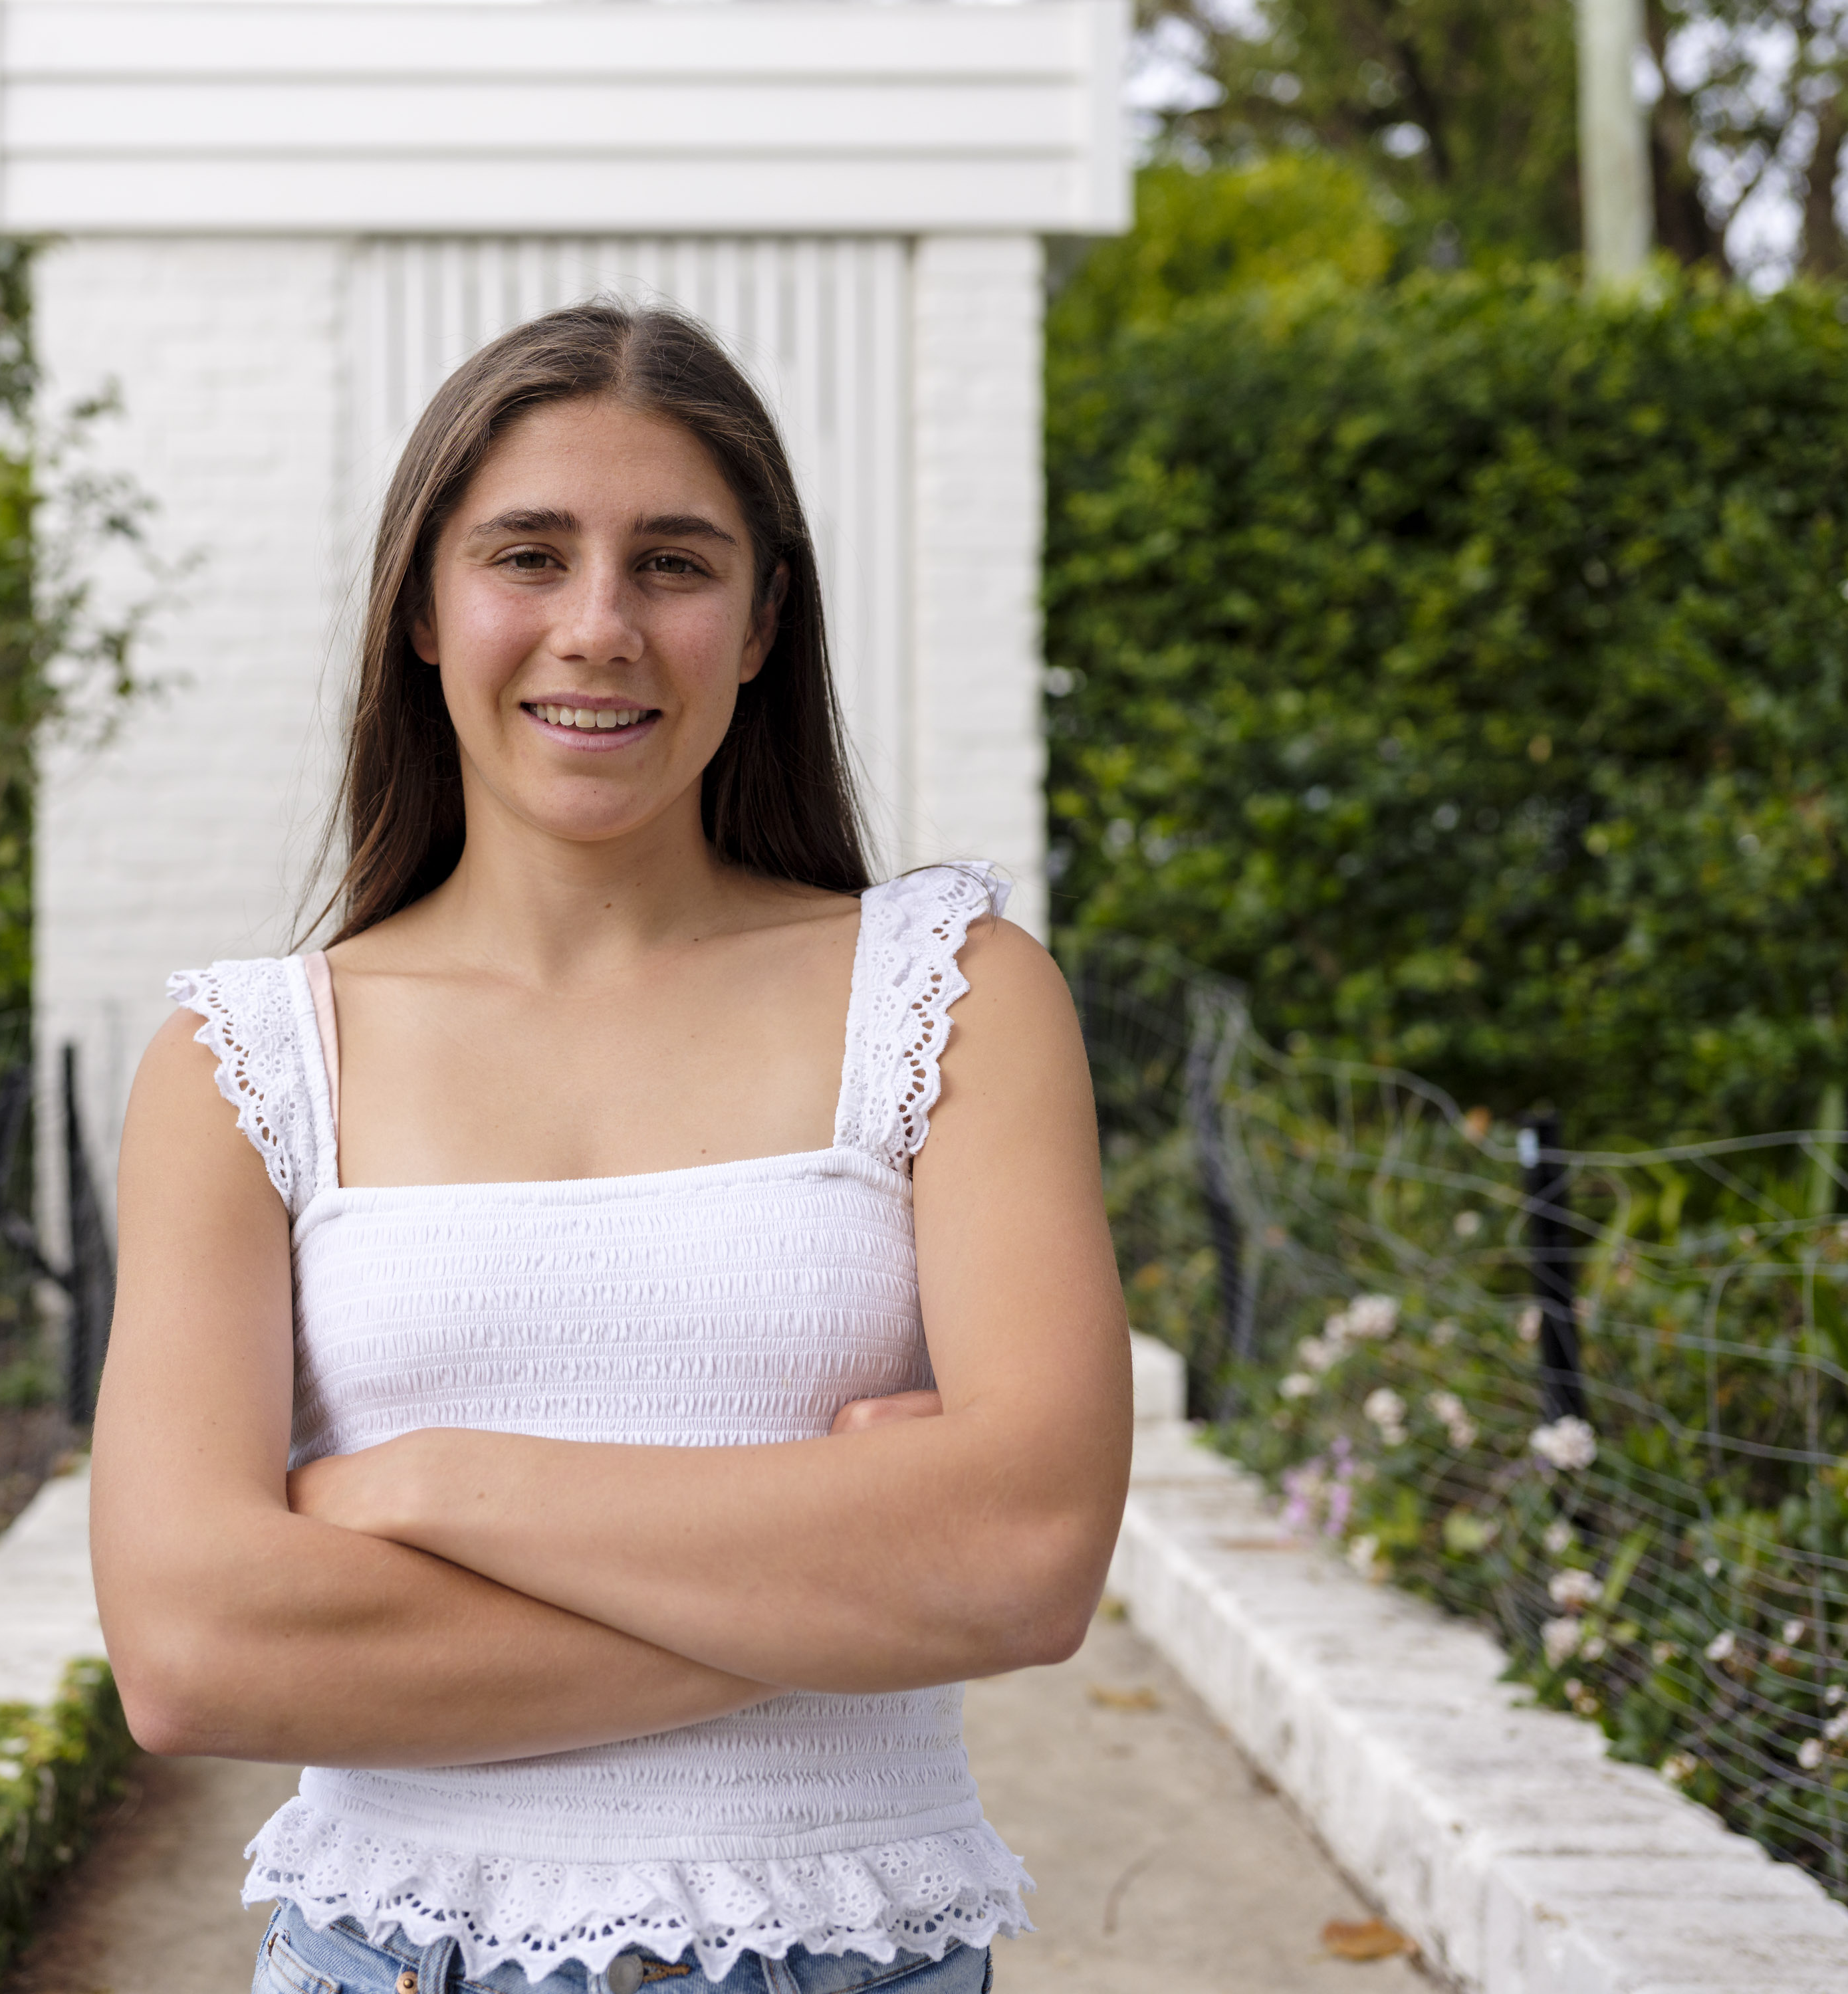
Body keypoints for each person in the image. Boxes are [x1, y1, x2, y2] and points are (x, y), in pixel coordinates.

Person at [91, 300, 1133, 1994]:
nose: (597, 626)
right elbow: (196, 1652)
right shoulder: (243, 1066)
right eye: (525, 555)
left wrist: (434, 1488)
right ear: (422, 614)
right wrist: (841, 1582)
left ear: (760, 619)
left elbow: (1021, 1565)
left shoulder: (952, 998)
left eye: (671, 563)